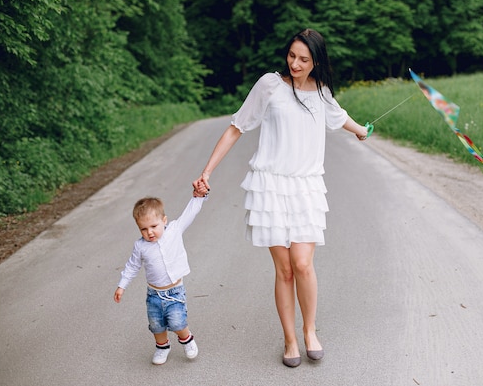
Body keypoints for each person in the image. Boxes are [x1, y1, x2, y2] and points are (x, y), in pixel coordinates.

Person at [192, 28, 369, 368]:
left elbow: (339, 116)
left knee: (303, 263)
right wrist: (207, 171)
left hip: (306, 187)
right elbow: (236, 127)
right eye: (292, 56)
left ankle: (309, 330)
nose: (296, 63)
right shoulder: (270, 85)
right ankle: (289, 339)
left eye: (304, 59)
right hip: (270, 186)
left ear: (316, 61)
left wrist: (361, 130)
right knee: (285, 269)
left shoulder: (321, 92)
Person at [114, 183, 209, 365]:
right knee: (156, 325)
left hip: (175, 292)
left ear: (164, 220)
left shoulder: (174, 230)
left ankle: (187, 339)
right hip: (154, 294)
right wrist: (122, 285)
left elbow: (190, 213)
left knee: (177, 322)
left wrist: (199, 196)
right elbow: (132, 266)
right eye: (143, 229)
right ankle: (162, 347)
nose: (149, 232)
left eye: (153, 226)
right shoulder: (140, 246)